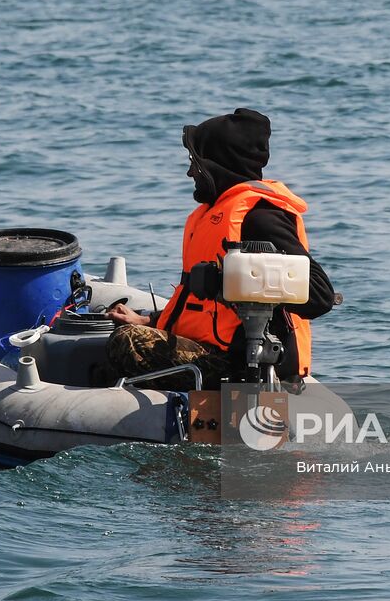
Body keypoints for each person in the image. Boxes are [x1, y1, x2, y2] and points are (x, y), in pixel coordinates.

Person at [105, 108, 336, 390]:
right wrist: (148, 320)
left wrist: (231, 284)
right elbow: (197, 307)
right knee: (118, 339)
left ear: (217, 164)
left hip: (242, 362)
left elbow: (320, 296)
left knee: (127, 342)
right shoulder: (213, 213)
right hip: (210, 348)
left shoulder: (259, 218)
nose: (190, 172)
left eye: (194, 162)